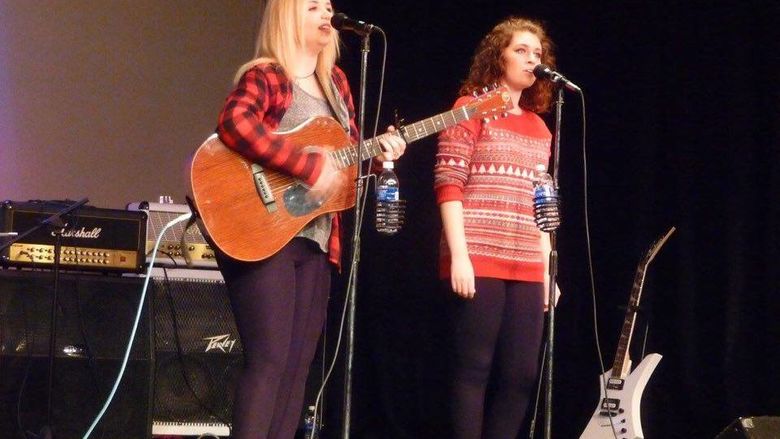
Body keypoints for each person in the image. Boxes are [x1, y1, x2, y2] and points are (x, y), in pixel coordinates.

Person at [213, 1, 406, 438]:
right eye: (313, 5)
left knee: (299, 367)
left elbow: (344, 160)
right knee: (270, 360)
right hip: (265, 234)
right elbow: (234, 122)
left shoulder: (336, 83)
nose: (327, 12)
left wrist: (379, 156)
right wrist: (304, 164)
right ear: (287, 16)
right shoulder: (267, 75)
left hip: (317, 239)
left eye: (330, 5)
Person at [434, 16, 560, 439]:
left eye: (537, 54)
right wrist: (460, 256)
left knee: (521, 375)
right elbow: (449, 184)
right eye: (521, 50)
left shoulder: (540, 127)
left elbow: (542, 204)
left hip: (526, 261)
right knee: (474, 370)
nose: (531, 60)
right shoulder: (468, 108)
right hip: (479, 256)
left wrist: (547, 268)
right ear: (498, 56)